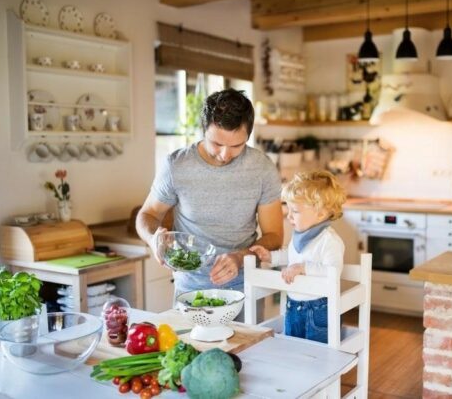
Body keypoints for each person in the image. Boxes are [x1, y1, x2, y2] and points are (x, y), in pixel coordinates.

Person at [136, 88, 284, 298]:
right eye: (216, 143)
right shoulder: (176, 165)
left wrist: (240, 257)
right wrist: (153, 239)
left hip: (246, 287)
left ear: (248, 136)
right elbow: (147, 215)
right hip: (189, 287)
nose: (225, 154)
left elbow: (274, 236)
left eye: (236, 146)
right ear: (203, 129)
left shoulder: (262, 168)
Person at [250, 170, 347, 343]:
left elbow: (333, 270)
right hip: (293, 305)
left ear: (321, 214)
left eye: (295, 211)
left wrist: (303, 268)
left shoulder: (329, 240)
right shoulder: (300, 235)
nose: (289, 216)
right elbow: (291, 256)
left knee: (317, 355)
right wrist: (270, 257)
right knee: (292, 349)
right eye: (288, 209)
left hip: (319, 309)